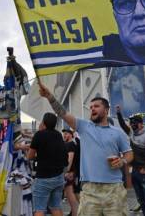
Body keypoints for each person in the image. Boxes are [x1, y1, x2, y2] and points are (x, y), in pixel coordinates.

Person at [38, 81, 133, 216]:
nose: (92, 108)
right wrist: (50, 97)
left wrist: (122, 161)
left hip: (114, 189)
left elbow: (129, 154)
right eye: (91, 107)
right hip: (89, 190)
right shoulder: (84, 126)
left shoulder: (118, 133)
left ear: (106, 110)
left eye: (96, 106)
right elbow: (63, 113)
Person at [116, 106, 145, 216]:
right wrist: (118, 113)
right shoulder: (132, 134)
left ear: (141, 124)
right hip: (135, 172)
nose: (132, 125)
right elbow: (123, 125)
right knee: (141, 199)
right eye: (131, 123)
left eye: (134, 122)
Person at [27, 113, 67, 216]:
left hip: (44, 178)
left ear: (43, 123)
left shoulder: (39, 135)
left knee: (39, 209)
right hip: (58, 177)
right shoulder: (58, 135)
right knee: (55, 207)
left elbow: (30, 156)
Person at [62, 128, 79, 216]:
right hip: (71, 173)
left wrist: (66, 172)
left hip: (70, 174)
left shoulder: (70, 145)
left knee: (71, 197)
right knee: (71, 197)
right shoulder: (69, 144)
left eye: (66, 133)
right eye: (64, 134)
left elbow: (70, 159)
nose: (64, 135)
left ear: (71, 135)